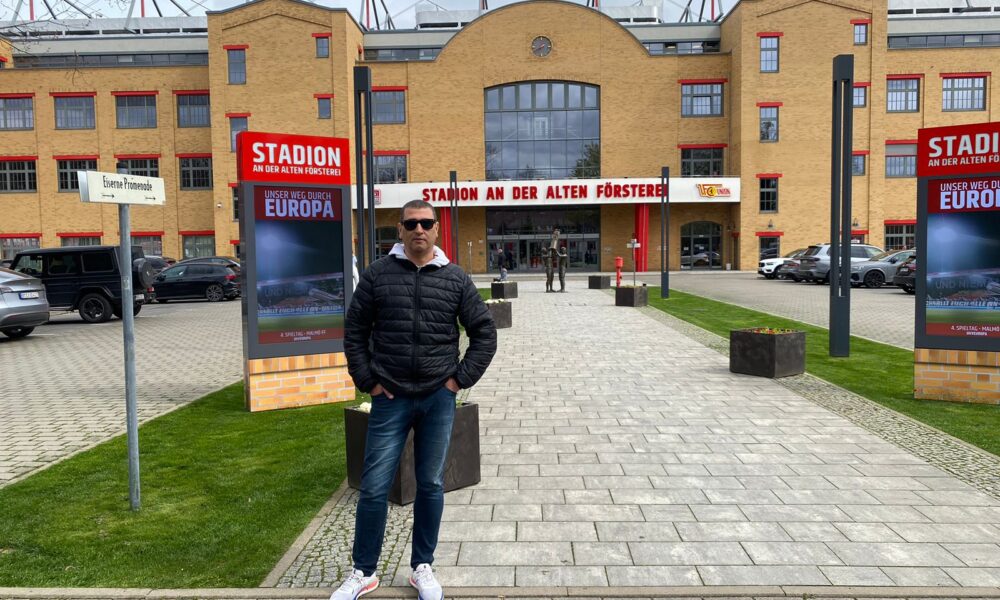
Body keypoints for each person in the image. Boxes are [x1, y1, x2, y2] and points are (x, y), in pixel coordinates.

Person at [337, 199, 497, 600]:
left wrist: (458, 381)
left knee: (430, 483)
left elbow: (484, 333)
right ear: (400, 229)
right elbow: (354, 331)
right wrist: (368, 381)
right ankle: (363, 572)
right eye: (411, 224)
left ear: (437, 228)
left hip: (437, 398)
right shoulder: (377, 275)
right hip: (389, 398)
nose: (419, 229)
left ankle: (422, 566)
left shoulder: (455, 278)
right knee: (374, 486)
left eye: (426, 222)